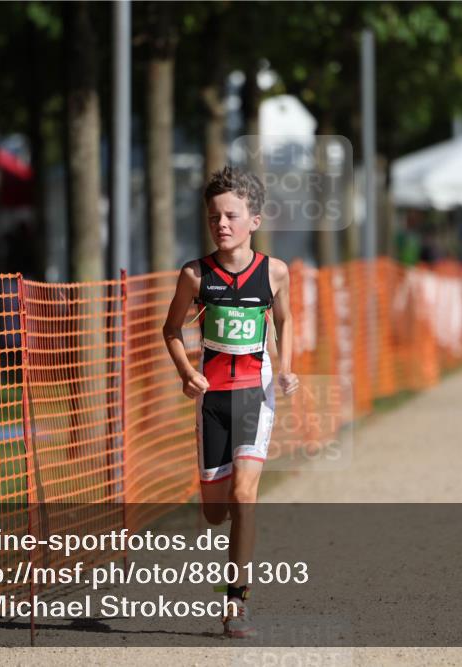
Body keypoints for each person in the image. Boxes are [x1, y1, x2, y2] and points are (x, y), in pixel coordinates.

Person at [162, 166, 299, 638]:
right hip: (212, 401)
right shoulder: (195, 275)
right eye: (213, 217)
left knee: (245, 496)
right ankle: (225, 532)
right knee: (215, 512)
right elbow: (170, 330)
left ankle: (235, 603)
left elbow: (285, 321)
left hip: (255, 397)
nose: (221, 224)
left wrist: (285, 367)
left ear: (254, 220)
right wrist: (188, 373)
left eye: (231, 216)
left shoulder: (275, 272)